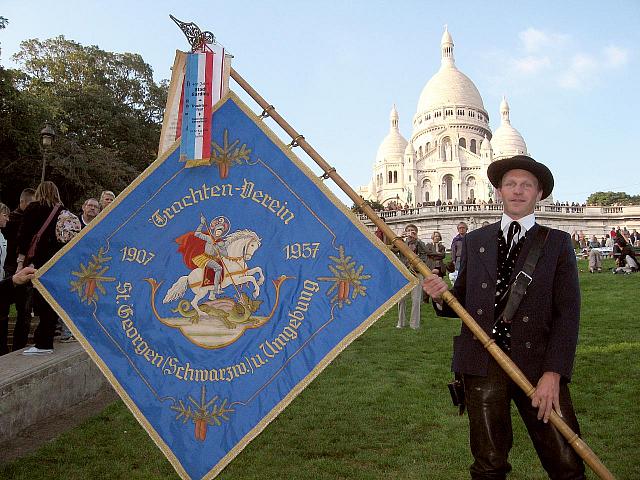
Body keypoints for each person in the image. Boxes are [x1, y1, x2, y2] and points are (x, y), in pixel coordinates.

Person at [423, 154, 585, 479]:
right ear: (498, 191)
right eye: (510, 184)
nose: (518, 191)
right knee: (489, 465)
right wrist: (441, 297)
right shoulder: (474, 240)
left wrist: (553, 374)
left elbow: (568, 314)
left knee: (566, 462)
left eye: (527, 185)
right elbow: (464, 301)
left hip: (537, 365)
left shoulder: (557, 243)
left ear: (540, 194)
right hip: (483, 364)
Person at [16, 181, 66, 355]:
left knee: (38, 300)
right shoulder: (61, 211)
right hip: (56, 262)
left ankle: (43, 344)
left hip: (37, 261)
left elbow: (23, 236)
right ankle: (47, 338)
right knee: (51, 302)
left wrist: (21, 261)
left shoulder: (33, 208)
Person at [0, 189, 35, 353]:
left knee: (25, 312)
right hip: (10, 269)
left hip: (21, 270)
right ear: (23, 203)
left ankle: (18, 347)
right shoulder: (12, 221)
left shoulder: (32, 220)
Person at [396, 224, 428, 329]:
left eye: (412, 231)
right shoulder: (401, 243)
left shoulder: (420, 243)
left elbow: (426, 253)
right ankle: (401, 322)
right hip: (404, 273)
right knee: (401, 299)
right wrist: (399, 237)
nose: (410, 232)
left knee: (416, 299)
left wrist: (417, 240)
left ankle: (414, 324)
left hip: (417, 273)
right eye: (408, 230)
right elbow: (392, 249)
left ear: (416, 232)